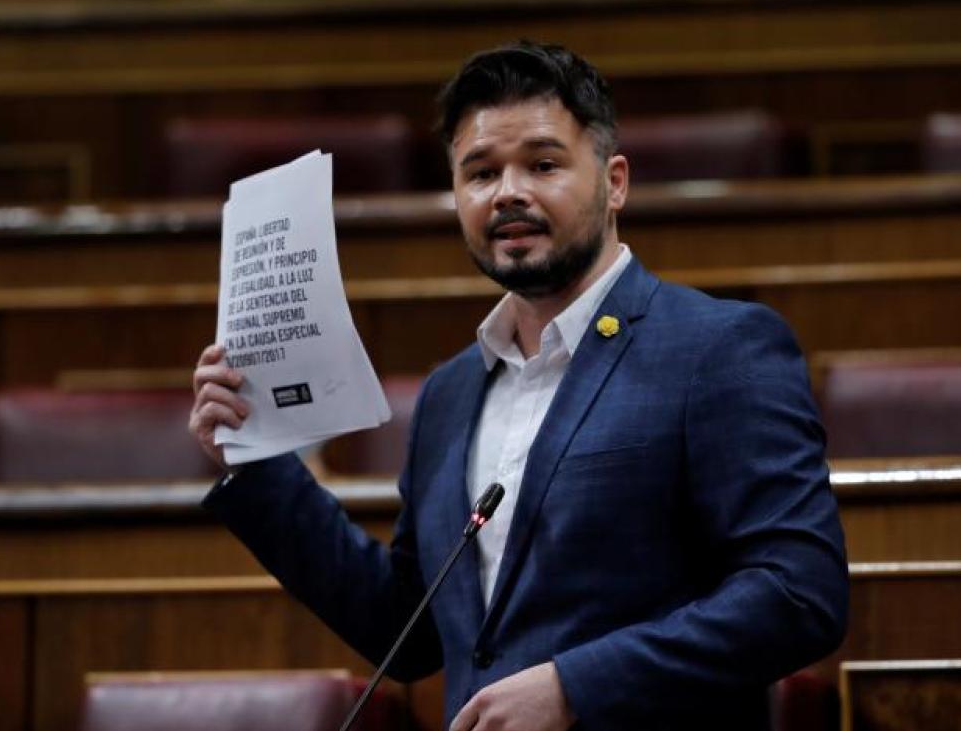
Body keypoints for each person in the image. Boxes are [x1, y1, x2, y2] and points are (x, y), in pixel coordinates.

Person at [190, 41, 848, 731]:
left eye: (543, 164)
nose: (508, 192)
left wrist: (575, 687)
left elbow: (799, 593)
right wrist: (260, 462)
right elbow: (406, 631)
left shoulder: (718, 348)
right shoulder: (448, 394)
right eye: (480, 173)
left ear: (615, 182)